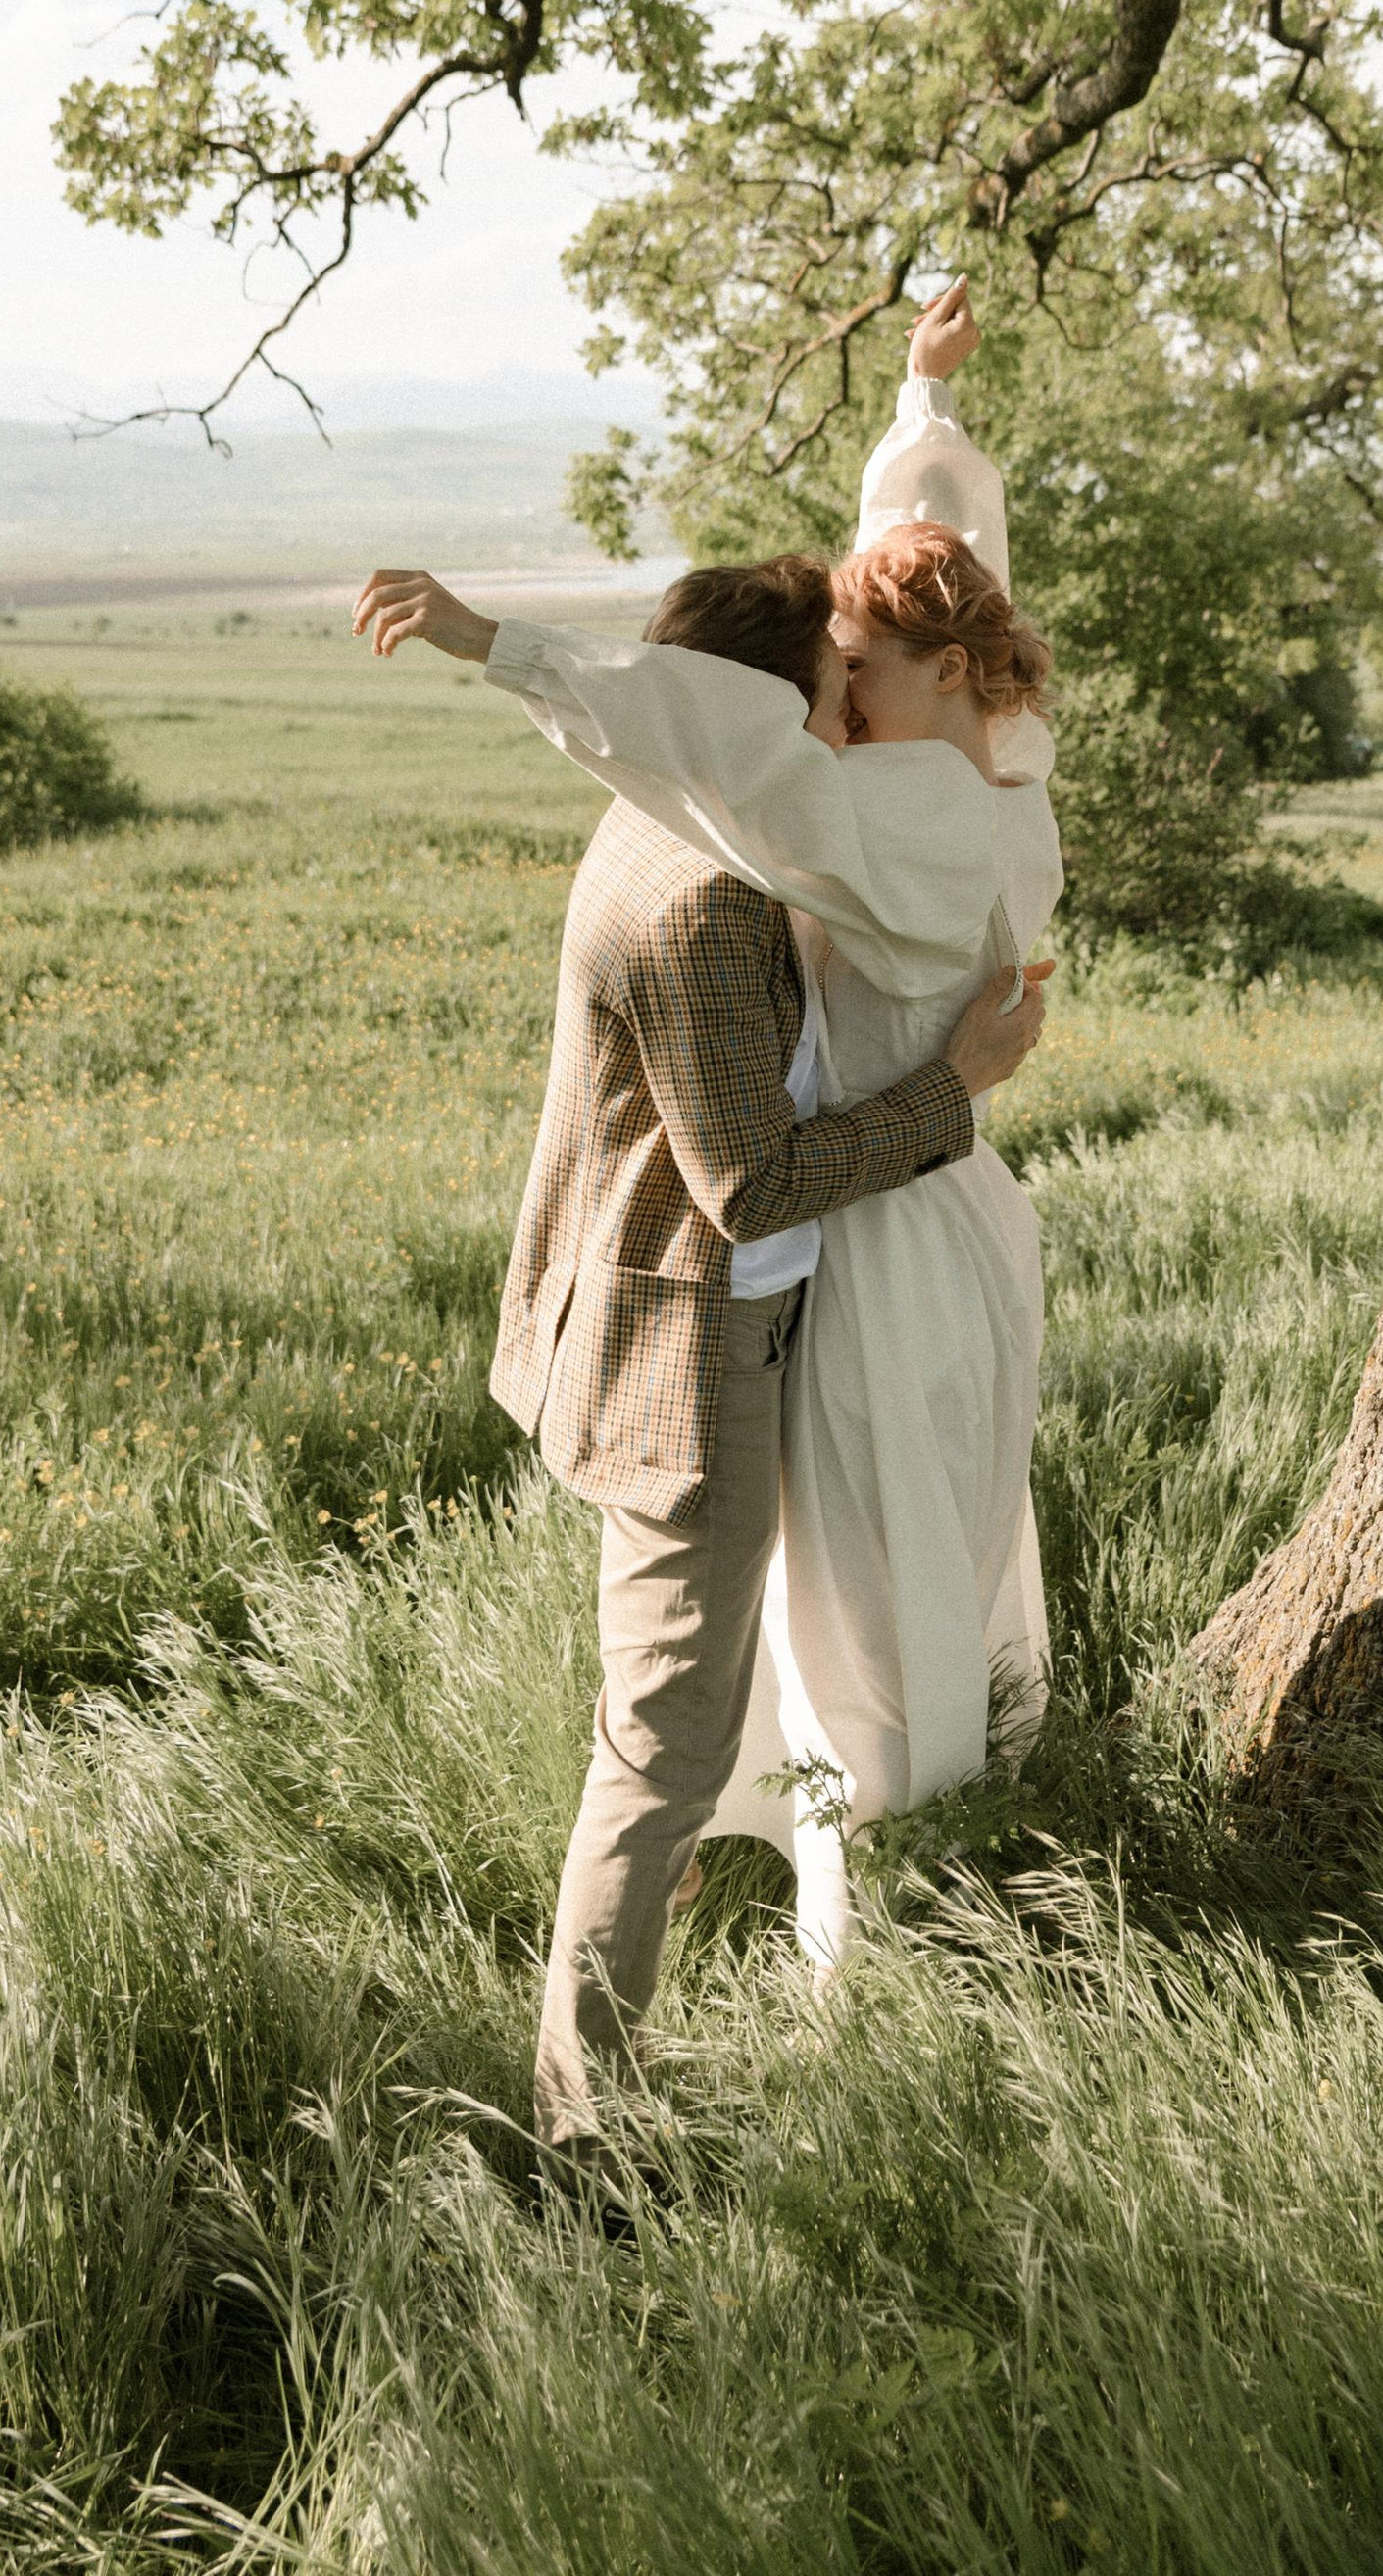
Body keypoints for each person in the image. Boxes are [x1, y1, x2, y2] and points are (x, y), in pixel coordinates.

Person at [356, 274, 1062, 2006]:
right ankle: (665, 2017)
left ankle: (877, 1927)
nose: (843, 700)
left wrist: (500, 646)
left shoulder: (885, 816)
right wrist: (920, 411)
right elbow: (892, 605)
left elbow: (816, 681)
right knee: (739, 1676)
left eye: (862, 676)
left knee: (869, 1611)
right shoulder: (868, 810)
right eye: (829, 682)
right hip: (774, 1280)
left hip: (880, 1256)